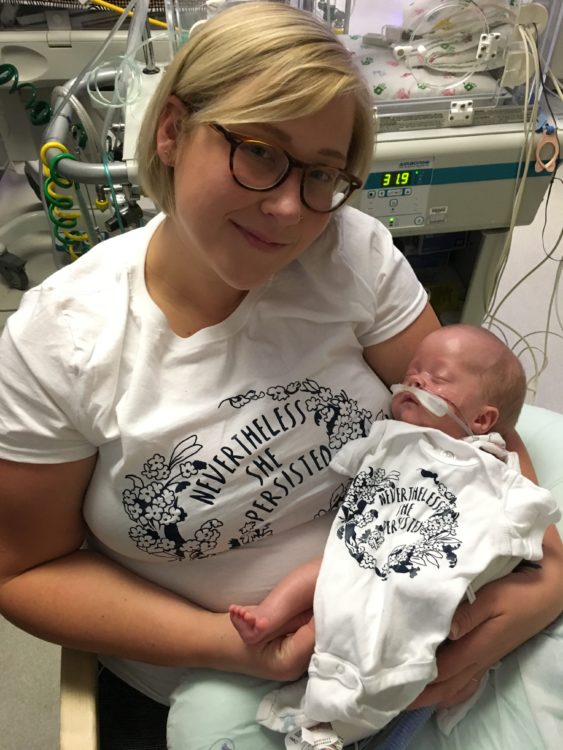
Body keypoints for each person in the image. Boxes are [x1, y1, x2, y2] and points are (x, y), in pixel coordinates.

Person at [0, 4, 561, 750]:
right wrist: (229, 646)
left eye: (323, 173)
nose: (292, 208)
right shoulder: (59, 343)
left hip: (423, 605)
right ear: (172, 131)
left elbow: (467, 424)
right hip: (218, 673)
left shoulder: (350, 255)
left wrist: (538, 585)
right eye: (260, 152)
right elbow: (24, 572)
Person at [226, 324, 560, 746]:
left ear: (481, 418)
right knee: (324, 571)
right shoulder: (389, 437)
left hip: (430, 575)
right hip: (363, 549)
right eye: (413, 371)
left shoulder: (490, 466)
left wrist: (530, 553)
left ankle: (395, 719)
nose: (416, 379)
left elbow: (530, 515)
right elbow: (348, 464)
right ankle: (269, 616)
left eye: (437, 378)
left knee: (429, 664)